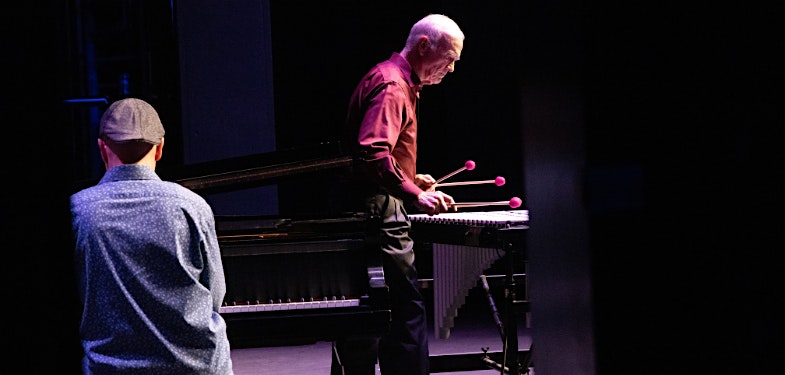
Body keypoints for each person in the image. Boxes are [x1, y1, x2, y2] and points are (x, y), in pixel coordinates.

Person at [330, 13, 464, 375]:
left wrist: (409, 178)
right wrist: (410, 192)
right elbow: (372, 152)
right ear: (424, 46)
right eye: (448, 59)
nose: (450, 70)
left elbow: (377, 155)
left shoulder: (394, 79)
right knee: (404, 313)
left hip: (375, 200)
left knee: (380, 314)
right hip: (378, 209)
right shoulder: (393, 85)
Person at [70, 98, 234, 374]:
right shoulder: (191, 207)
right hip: (196, 368)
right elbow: (215, 296)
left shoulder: (78, 211)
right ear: (159, 150)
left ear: (101, 148)